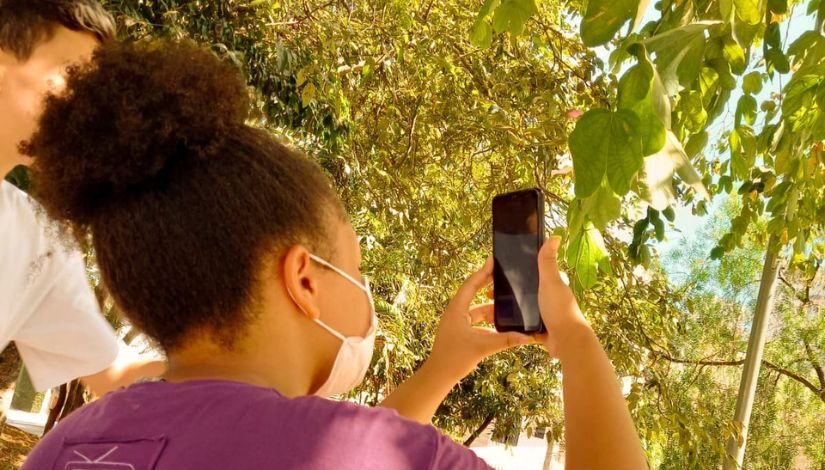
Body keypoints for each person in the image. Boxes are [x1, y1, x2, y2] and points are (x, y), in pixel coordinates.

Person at [21, 40, 648, 469]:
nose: (363, 286)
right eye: (353, 267)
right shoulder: (367, 451)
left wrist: (442, 367)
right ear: (304, 279)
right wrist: (574, 336)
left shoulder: (70, 445)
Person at [0, 0, 164, 398]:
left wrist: (240, 371)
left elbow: (112, 372)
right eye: (74, 78)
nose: (87, 110)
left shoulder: (40, 242)